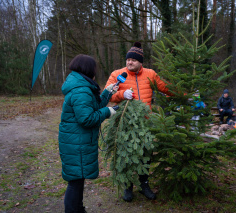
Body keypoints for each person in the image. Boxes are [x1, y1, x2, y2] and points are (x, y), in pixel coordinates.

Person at [104, 42, 170, 202]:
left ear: (141, 62)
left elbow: (166, 88)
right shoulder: (117, 74)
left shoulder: (150, 74)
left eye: (133, 60)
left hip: (146, 124)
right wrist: (121, 94)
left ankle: (144, 184)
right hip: (124, 123)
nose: (130, 62)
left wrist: (185, 93)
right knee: (126, 155)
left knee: (145, 155)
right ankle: (127, 186)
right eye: (128, 59)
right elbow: (106, 94)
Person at [58, 54, 118, 213]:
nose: (95, 72)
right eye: (94, 69)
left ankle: (78, 209)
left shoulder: (82, 86)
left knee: (78, 180)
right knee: (75, 183)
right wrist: (108, 112)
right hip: (76, 144)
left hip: (78, 142)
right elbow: (87, 119)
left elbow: (93, 106)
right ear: (87, 69)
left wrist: (107, 93)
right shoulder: (81, 90)